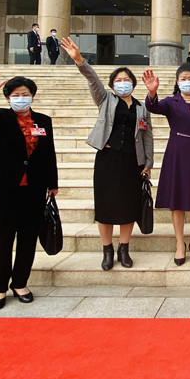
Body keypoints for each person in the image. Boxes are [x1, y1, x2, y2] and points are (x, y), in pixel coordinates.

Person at [60, 38, 153, 270]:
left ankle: (124, 249)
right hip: (108, 160)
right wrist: (79, 60)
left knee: (128, 205)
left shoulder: (141, 108)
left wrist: (148, 163)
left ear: (133, 84)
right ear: (112, 85)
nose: (123, 84)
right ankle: (107, 250)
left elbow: (147, 137)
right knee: (105, 206)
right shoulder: (105, 99)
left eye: (127, 80)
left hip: (132, 162)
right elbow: (92, 79)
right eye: (118, 81)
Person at [0, 68, 58, 311]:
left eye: (26, 94)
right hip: (4, 188)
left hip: (34, 188)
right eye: (16, 95)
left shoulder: (43, 121)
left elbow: (49, 153)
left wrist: (52, 183)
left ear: (33, 96)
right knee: (3, 238)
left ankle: (20, 283)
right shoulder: (0, 117)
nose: (21, 98)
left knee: (28, 238)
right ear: (9, 98)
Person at [142, 64, 190, 266]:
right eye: (183, 78)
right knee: (177, 200)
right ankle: (179, 243)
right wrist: (152, 93)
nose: (187, 81)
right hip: (177, 153)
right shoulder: (171, 101)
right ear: (177, 82)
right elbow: (153, 107)